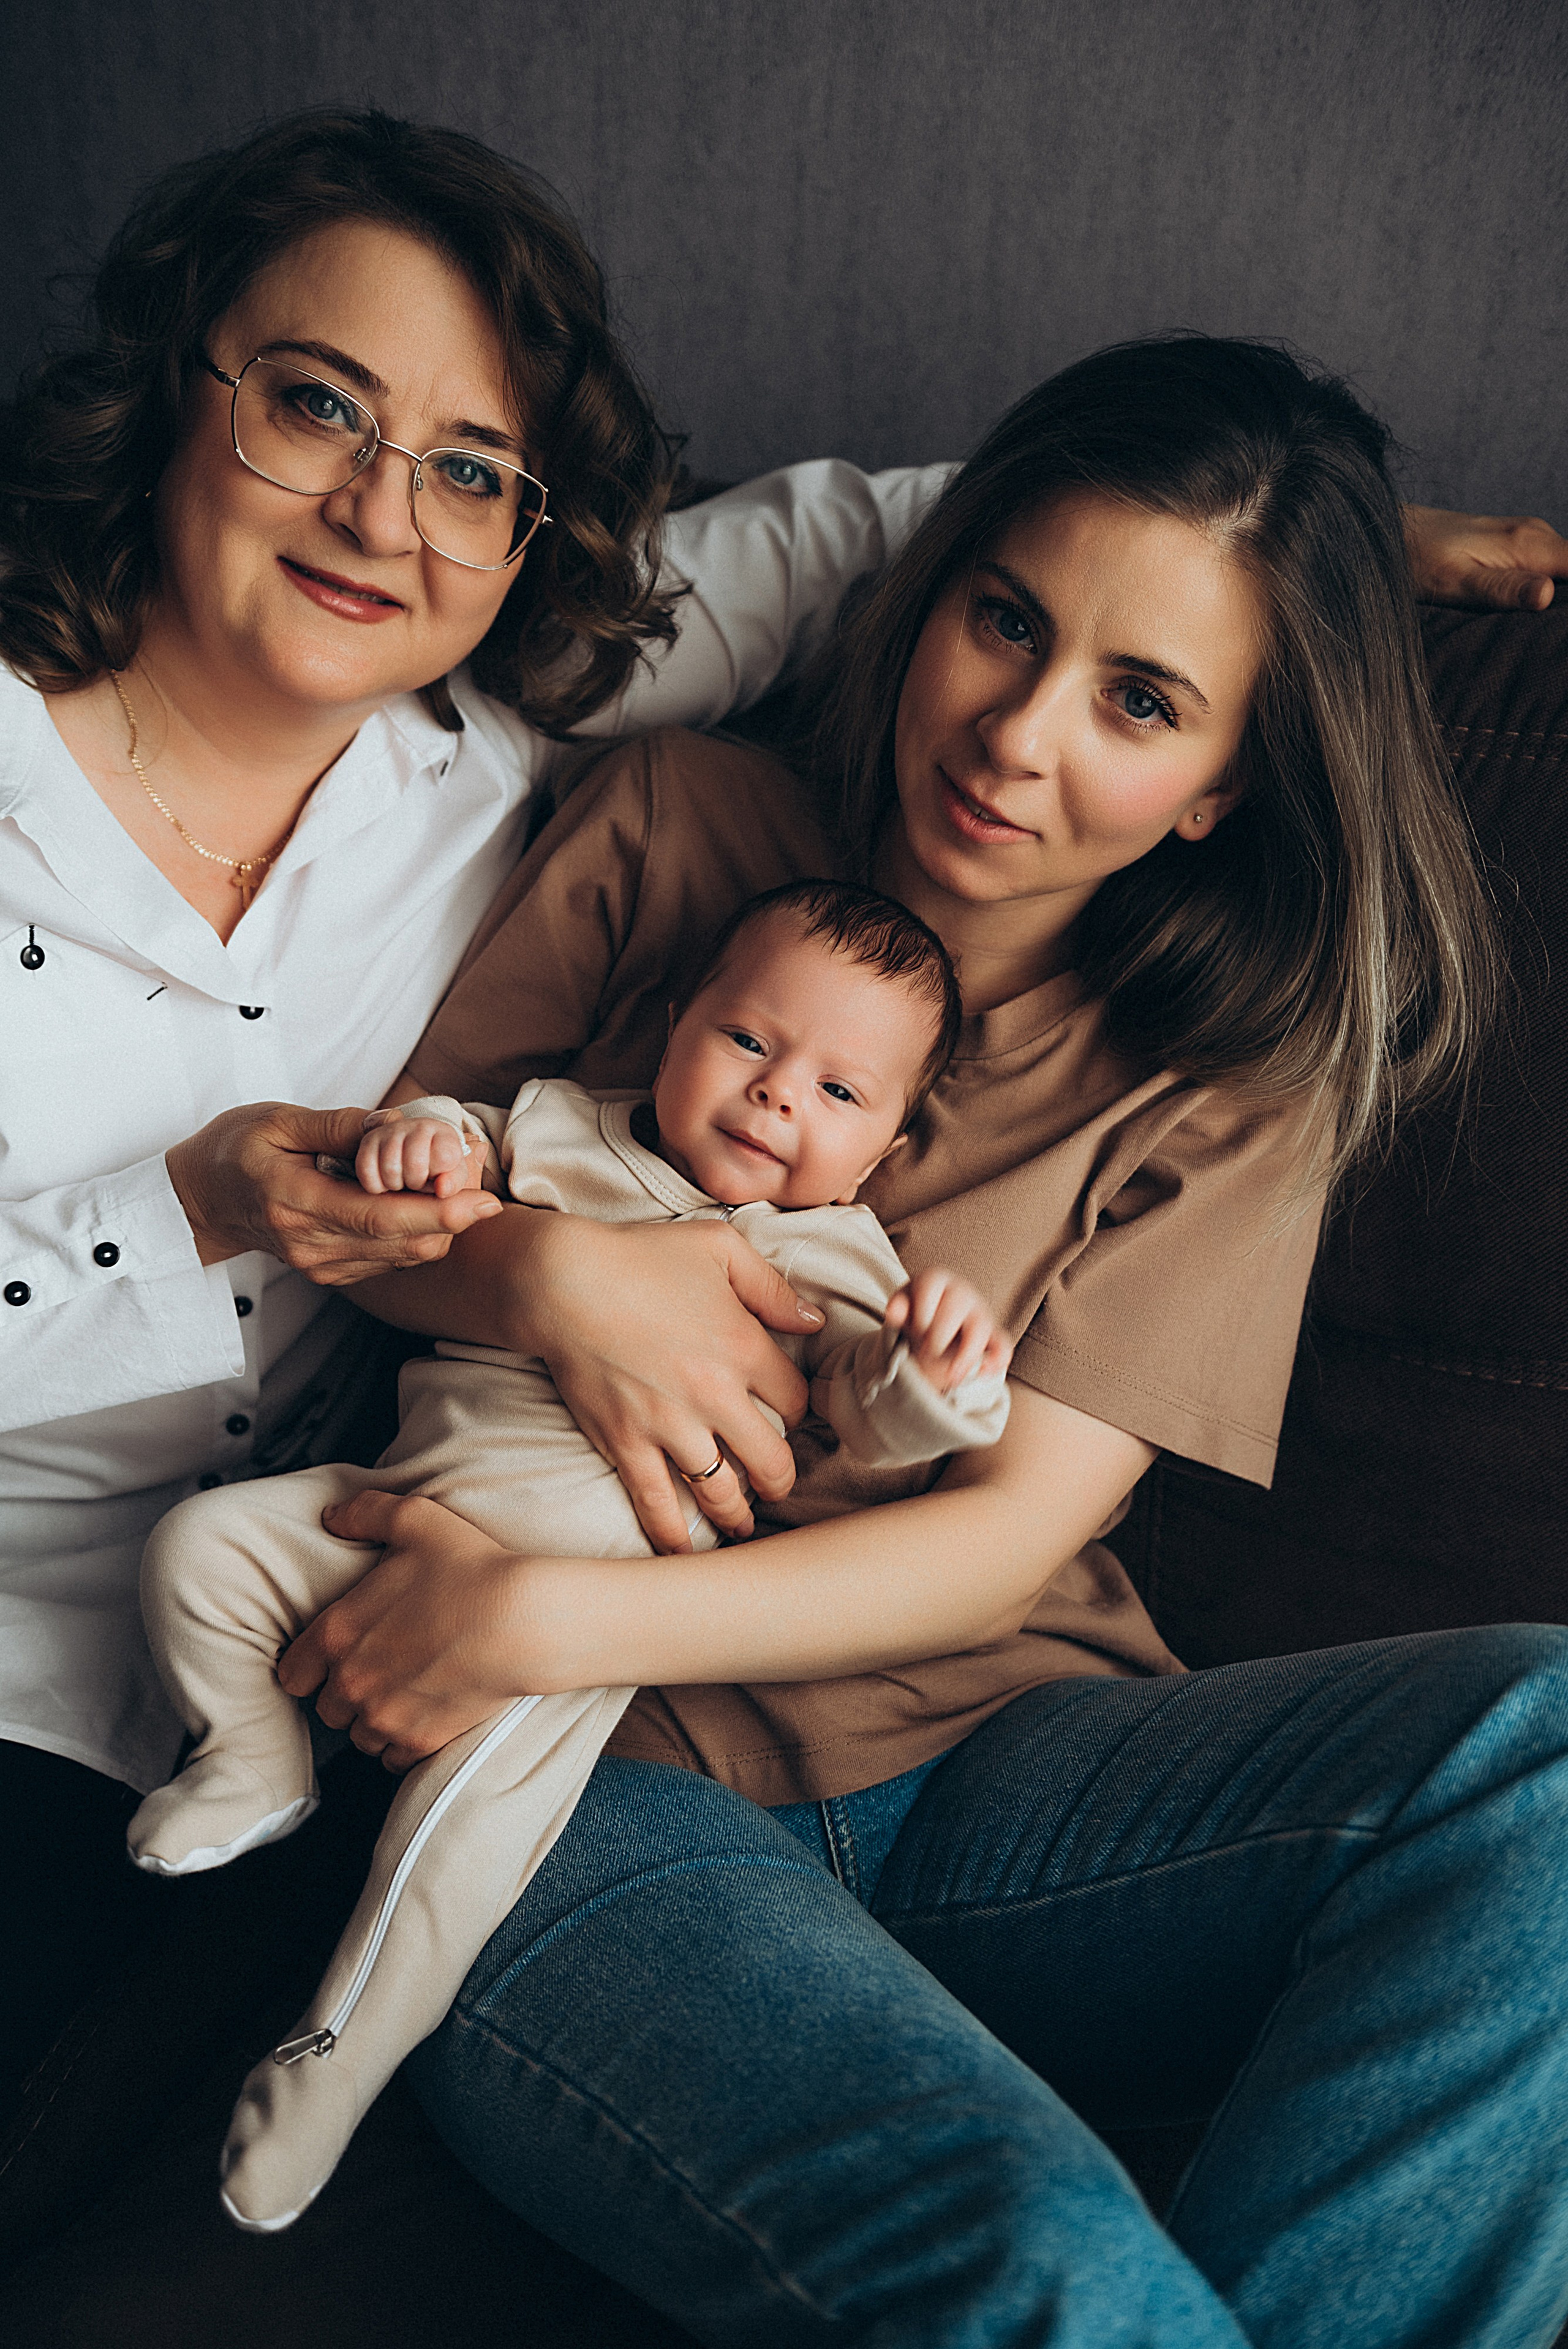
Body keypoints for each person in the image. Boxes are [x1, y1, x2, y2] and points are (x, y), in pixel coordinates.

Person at [251, 337, 1568, 2347]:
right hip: (586, 1785)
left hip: (986, 1759)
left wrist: (533, 1614)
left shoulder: (1227, 1075)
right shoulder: (679, 821)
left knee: (1547, 1742)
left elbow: (1002, 1537)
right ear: (927, 589)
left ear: (1224, 780)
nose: (1020, 735)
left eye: (1140, 702)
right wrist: (552, 1279)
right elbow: (378, 1212)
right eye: (1005, 622)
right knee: (1036, 2256)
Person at [0, 107, 966, 2099]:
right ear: (160, 392)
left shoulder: (490, 743)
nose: (384, 514)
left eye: (469, 468)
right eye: (313, 405)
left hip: (300, 1645)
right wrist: (190, 1198)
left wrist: (1349, 559)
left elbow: (865, 535)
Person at [126, 880, 1011, 2231]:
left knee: (452, 1847)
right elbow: (432, 1160)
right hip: (382, 1508)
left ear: (888, 1143)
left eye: (841, 1093)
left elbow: (865, 1411)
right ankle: (250, 1752)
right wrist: (418, 1145)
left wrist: (938, 1377)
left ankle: (336, 2057)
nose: (778, 1099)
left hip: (569, 1638)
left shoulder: (832, 1254)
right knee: (198, 1547)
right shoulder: (557, 1126)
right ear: (671, 1024)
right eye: (748, 1042)